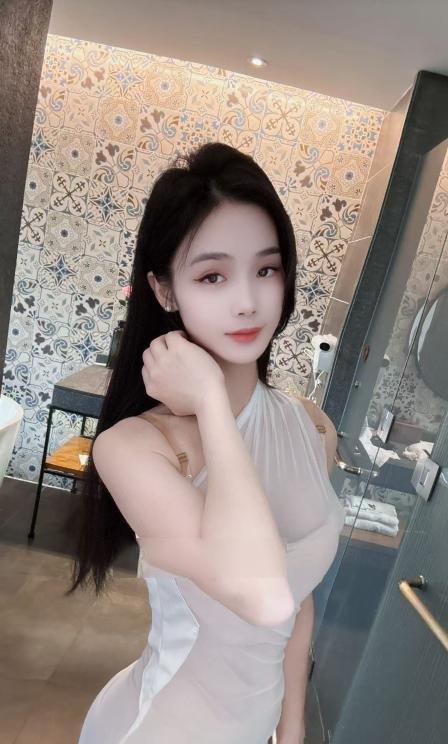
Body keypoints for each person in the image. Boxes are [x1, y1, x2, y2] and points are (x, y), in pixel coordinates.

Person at [67, 142, 346, 744]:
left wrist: (291, 729)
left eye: (266, 270)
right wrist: (211, 402)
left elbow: (297, 600)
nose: (247, 301)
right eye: (212, 276)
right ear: (165, 290)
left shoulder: (313, 429)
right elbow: (263, 595)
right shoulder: (135, 448)